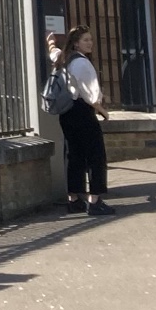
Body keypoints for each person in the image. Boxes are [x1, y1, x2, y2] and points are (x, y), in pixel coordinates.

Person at [48, 25, 112, 217]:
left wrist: (51, 43)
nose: (90, 43)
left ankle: (73, 200)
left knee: (73, 156)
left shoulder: (64, 57)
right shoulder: (83, 64)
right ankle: (94, 201)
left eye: (91, 40)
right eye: (86, 40)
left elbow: (53, 53)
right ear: (76, 43)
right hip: (83, 112)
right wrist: (104, 112)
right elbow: (91, 97)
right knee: (95, 156)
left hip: (67, 113)